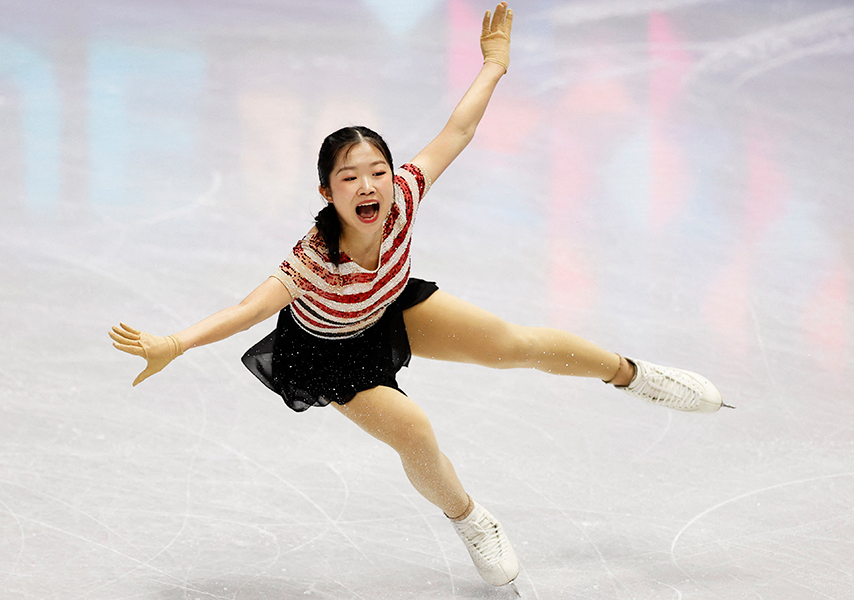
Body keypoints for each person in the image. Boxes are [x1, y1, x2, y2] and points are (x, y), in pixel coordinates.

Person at [110, 3, 729, 593]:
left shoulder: (403, 193)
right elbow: (247, 310)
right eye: (349, 177)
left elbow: (458, 129)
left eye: (376, 169)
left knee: (516, 344)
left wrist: (493, 65)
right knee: (415, 432)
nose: (369, 184)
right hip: (329, 353)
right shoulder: (312, 261)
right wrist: (175, 342)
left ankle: (635, 375)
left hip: (392, 305)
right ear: (327, 192)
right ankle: (469, 518)